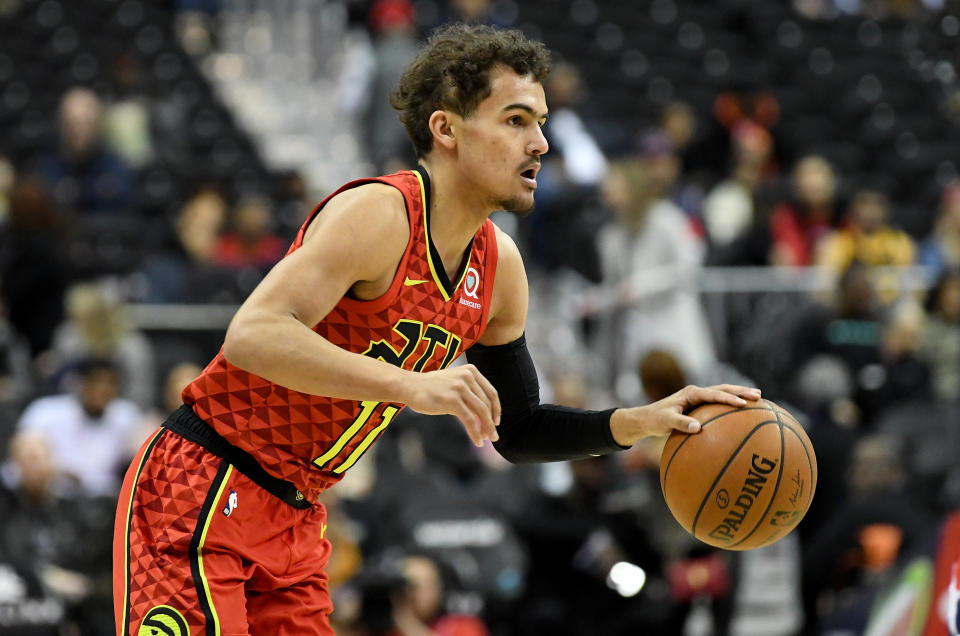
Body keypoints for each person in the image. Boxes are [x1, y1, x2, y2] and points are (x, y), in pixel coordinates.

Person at [113, 23, 759, 636]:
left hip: (295, 515)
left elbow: (520, 428)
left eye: (540, 123)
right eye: (515, 121)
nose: (540, 143)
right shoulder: (379, 214)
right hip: (202, 485)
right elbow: (253, 334)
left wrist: (638, 421)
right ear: (446, 128)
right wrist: (411, 387)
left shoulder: (500, 268)